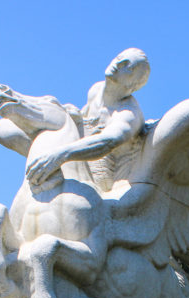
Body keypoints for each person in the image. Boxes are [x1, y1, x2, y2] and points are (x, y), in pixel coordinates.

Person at [24, 48, 149, 192]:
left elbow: (107, 141)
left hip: (102, 181)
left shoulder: (128, 114)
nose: (119, 63)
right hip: (77, 160)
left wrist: (58, 156)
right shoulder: (96, 90)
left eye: (128, 67)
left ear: (133, 85)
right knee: (6, 131)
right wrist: (76, 115)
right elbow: (86, 118)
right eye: (119, 57)